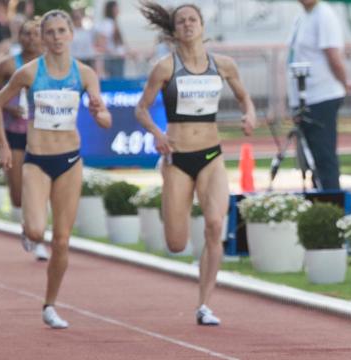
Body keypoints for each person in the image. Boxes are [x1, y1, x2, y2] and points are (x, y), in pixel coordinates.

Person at [0, 9, 112, 328]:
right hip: (37, 161)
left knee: (61, 240)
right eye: (51, 32)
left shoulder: (84, 74)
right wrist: (3, 144)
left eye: (61, 31)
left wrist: (100, 115)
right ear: (43, 38)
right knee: (34, 231)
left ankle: (50, 304)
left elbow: (105, 116)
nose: (56, 38)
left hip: (70, 160)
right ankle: (28, 232)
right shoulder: (29, 73)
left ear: (71, 34)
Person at [135, 1, 256, 326]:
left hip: (210, 155)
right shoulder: (165, 68)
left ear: (202, 26)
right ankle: (176, 214)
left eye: (193, 19)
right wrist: (157, 134)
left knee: (216, 225)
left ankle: (204, 305)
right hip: (177, 158)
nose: (188, 24)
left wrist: (249, 114)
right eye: (182, 21)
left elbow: (245, 97)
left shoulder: (224, 65)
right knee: (176, 243)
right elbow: (141, 108)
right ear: (175, 31)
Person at [0, 17, 46, 261]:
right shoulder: (9, 66)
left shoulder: (52, 66)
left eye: (36, 34)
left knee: (38, 189)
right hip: (15, 133)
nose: (31, 38)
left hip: (44, 136)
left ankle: (37, 234)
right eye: (26, 34)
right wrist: (10, 108)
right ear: (19, 37)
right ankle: (28, 226)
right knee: (18, 193)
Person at [286, 0, 351, 190]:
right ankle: (319, 201)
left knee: (324, 157)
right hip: (304, 98)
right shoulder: (302, 17)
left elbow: (332, 54)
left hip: (322, 96)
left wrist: (345, 82)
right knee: (311, 159)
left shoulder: (324, 14)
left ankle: (332, 205)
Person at [95, 1, 126, 78]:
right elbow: (102, 44)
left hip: (117, 59)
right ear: (111, 9)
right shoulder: (107, 24)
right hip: (112, 60)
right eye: (116, 8)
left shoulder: (113, 23)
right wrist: (114, 52)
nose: (118, 10)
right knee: (116, 83)